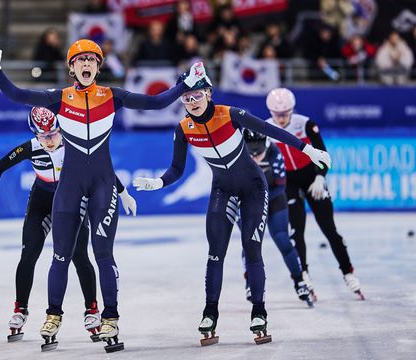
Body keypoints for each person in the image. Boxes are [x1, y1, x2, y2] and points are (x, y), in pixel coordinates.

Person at [0, 39, 206, 351]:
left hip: (102, 183)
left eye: (92, 59)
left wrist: (183, 83)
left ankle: (110, 317)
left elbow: (156, 103)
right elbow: (18, 95)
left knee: (103, 255)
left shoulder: (112, 96)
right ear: (72, 67)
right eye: (81, 60)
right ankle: (53, 315)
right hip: (70, 185)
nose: (86, 64)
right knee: (60, 255)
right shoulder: (58, 98)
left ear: (98, 67)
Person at [132, 76, 330, 345]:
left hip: (253, 189)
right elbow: (177, 169)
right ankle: (209, 312)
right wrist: (159, 182)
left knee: (252, 249)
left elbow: (269, 131)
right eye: (186, 98)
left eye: (197, 96)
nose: (192, 102)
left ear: (209, 94)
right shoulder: (183, 128)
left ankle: (259, 311)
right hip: (222, 190)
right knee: (215, 254)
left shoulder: (231, 114)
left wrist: (307, 149)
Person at [0, 107, 137, 342]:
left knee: (80, 255)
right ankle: (20, 309)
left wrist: (122, 193)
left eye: (53, 134)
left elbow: (103, 168)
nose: (49, 141)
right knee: (29, 254)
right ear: (35, 135)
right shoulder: (30, 147)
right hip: (42, 200)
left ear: (61, 129)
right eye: (43, 137)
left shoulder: (74, 145)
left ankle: (91, 309)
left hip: (71, 199)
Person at [265, 88, 364, 300]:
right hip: (288, 181)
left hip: (312, 178)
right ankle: (304, 274)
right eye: (276, 114)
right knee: (296, 230)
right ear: (270, 111)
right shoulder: (266, 128)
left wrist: (320, 176)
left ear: (292, 110)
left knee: (329, 229)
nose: (281, 119)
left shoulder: (305, 124)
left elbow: (323, 154)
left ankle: (348, 272)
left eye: (285, 114)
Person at [239, 129, 312, 307]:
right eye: (251, 153)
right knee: (250, 244)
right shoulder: (237, 154)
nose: (255, 157)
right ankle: (250, 283)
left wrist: (260, 200)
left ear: (266, 145)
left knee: (282, 239)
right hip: (248, 201)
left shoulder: (274, 151)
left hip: (274, 198)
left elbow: (281, 186)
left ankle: (299, 280)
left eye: (259, 153)